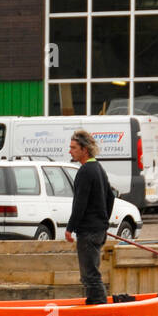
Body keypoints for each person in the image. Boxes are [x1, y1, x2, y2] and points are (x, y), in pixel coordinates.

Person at [64, 129, 114, 305]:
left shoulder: (85, 171)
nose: (70, 151)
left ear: (85, 150)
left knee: (90, 275)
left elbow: (80, 204)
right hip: (99, 230)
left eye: (73, 148)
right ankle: (94, 303)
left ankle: (100, 308)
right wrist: (104, 221)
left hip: (88, 232)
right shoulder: (99, 168)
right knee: (91, 272)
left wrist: (70, 228)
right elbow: (111, 196)